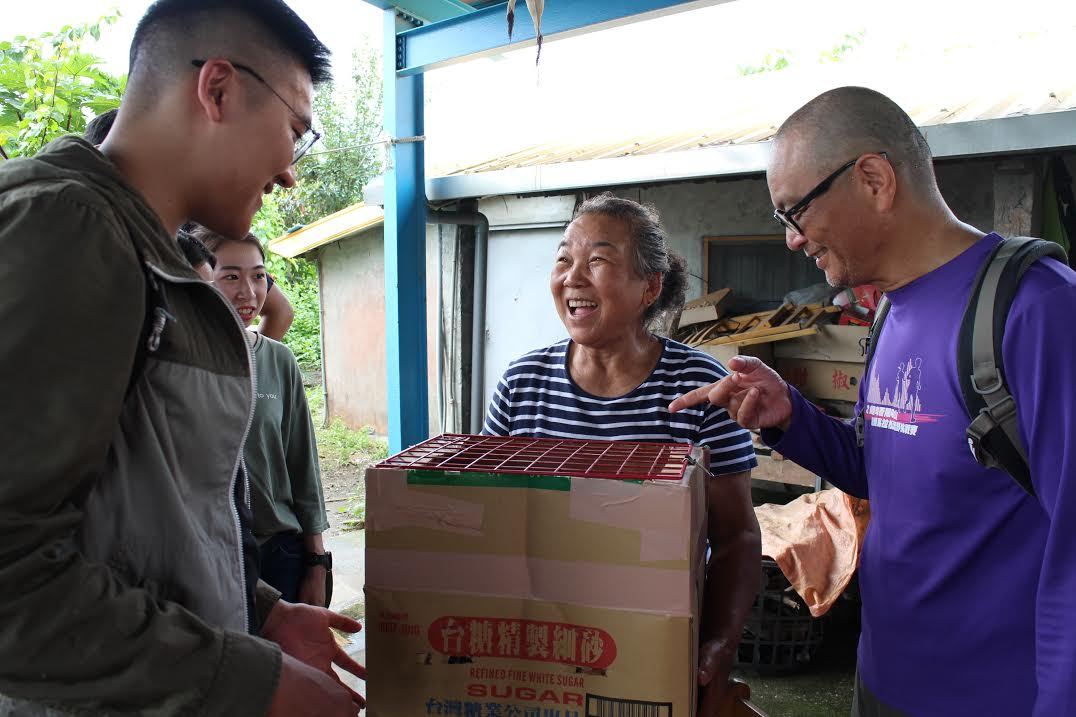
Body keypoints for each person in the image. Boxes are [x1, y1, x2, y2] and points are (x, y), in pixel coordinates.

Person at [0, 1, 364, 715]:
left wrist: (259, 608)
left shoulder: (150, 255)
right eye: (295, 130)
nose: (291, 172)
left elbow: (139, 512)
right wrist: (243, 679)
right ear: (218, 89)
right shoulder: (69, 230)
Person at [670, 86, 1076, 716]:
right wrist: (792, 419)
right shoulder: (890, 311)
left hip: (996, 697)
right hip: (884, 680)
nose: (792, 241)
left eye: (794, 212)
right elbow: (882, 469)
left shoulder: (1039, 309)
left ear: (874, 178)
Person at [483, 193, 761, 716]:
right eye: (564, 259)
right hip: (543, 650)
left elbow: (737, 534)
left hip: (658, 643)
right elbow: (492, 526)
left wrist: (719, 643)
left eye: (598, 261)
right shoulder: (522, 386)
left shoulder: (700, 386)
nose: (573, 277)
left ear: (648, 288)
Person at [196, 226, 330, 607]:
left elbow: (303, 465)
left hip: (280, 551)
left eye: (258, 276)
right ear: (202, 281)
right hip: (214, 554)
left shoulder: (278, 359)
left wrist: (316, 562)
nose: (248, 292)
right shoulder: (184, 362)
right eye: (231, 277)